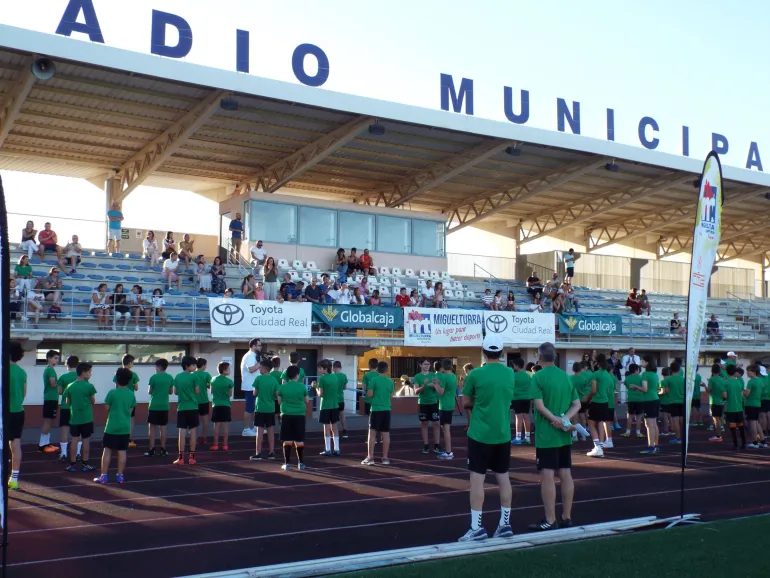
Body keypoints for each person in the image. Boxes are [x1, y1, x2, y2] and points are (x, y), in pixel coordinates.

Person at [459, 334, 515, 542]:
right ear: (501, 353)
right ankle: (505, 524)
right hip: (502, 433)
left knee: (477, 480)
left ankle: (476, 527)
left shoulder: (475, 375)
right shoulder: (509, 373)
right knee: (504, 477)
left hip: (480, 434)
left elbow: (465, 402)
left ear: (484, 351)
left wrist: (479, 401)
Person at [530, 341, 581, 531]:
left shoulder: (538, 377)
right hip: (563, 433)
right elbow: (577, 404)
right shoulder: (565, 377)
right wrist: (564, 419)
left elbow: (540, 406)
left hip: (547, 434)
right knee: (566, 473)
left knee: (548, 475)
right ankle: (566, 517)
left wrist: (556, 420)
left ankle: (550, 519)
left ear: (540, 356)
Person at [95, 367, 137, 484]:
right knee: (122, 451)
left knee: (107, 450)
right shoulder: (130, 394)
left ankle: (104, 475)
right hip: (125, 427)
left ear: (116, 380)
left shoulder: (112, 393)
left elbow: (106, 408)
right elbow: (130, 410)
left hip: (111, 427)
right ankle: (120, 475)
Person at [61, 362, 97, 473]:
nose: (90, 374)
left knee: (74, 440)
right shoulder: (89, 386)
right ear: (83, 373)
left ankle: (72, 464)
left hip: (74, 418)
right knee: (86, 440)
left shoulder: (70, 386)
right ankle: (85, 463)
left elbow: (67, 402)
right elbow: (93, 401)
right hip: (86, 418)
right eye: (89, 372)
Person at [362, 361, 395, 466]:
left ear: (377, 369)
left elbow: (369, 394)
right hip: (386, 409)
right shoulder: (390, 381)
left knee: (372, 433)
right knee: (385, 433)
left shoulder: (373, 380)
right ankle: (385, 458)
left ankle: (370, 457)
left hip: (376, 409)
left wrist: (369, 393)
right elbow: (391, 396)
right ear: (386, 370)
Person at [277, 365, 310, 471]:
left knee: (287, 439)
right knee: (299, 440)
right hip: (299, 415)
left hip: (286, 414)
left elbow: (279, 401)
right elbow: (307, 401)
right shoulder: (302, 386)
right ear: (297, 375)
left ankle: (287, 464)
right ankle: (301, 463)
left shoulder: (282, 387)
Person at [586, 353, 614, 457]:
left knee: (591, 423)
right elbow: (610, 391)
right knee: (601, 423)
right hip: (605, 401)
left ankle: (597, 446)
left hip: (596, 401)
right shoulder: (608, 375)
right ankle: (600, 447)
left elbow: (593, 390)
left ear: (596, 361)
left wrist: (587, 397)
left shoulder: (596, 374)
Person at [174, 356, 200, 465]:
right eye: (193, 365)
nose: (195, 367)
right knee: (193, 431)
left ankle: (180, 458)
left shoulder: (177, 377)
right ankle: (192, 457)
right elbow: (197, 391)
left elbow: (175, 392)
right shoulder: (194, 377)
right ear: (186, 366)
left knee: (182, 432)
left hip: (182, 407)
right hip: (193, 407)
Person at [145, 359, 174, 457]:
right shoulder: (170, 377)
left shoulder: (153, 377)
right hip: (164, 405)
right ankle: (163, 449)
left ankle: (151, 449)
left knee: (152, 428)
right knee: (163, 428)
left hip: (154, 405)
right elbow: (171, 391)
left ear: (158, 367)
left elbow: (149, 391)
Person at [252, 359, 279, 461]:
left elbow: (254, 393)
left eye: (260, 367)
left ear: (264, 369)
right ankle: (271, 452)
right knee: (270, 431)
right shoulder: (274, 380)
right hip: (270, 408)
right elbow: (276, 395)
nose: (259, 369)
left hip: (260, 408)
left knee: (259, 431)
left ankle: (258, 452)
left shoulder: (258, 379)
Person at [8, 342, 27, 490]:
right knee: (15, 445)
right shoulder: (22, 372)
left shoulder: (3, 370)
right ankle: (14, 479)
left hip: (5, 412)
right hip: (18, 411)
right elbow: (24, 393)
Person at [414, 358, 441, 454]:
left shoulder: (434, 375)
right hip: (423, 403)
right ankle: (426, 445)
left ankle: (436, 445)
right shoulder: (417, 377)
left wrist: (435, 386)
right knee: (424, 423)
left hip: (433, 402)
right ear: (420, 365)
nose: (427, 366)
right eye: (425, 364)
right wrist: (424, 385)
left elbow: (439, 390)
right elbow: (416, 391)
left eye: (428, 364)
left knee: (436, 423)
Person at [112, 354, 140, 448]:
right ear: (129, 363)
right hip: (130, 399)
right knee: (130, 419)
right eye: (132, 363)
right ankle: (129, 439)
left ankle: (117, 437)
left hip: (119, 399)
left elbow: (115, 387)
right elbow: (136, 388)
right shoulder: (133, 374)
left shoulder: (117, 373)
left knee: (119, 417)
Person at [56, 355, 80, 462]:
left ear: (67, 364)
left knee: (64, 430)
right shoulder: (81, 377)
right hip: (77, 407)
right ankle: (78, 453)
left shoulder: (63, 377)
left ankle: (64, 453)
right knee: (77, 432)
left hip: (65, 407)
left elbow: (59, 392)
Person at [317, 360, 342, 456]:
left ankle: (328, 449)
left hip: (326, 406)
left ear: (325, 368)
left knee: (326, 428)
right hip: (335, 405)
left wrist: (315, 387)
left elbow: (321, 394)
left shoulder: (322, 379)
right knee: (334, 427)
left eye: (320, 368)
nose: (319, 370)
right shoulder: (335, 377)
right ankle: (337, 449)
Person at [39, 349, 61, 454]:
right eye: (55, 358)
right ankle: (42, 445)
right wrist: (61, 383)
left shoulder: (50, 369)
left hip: (52, 398)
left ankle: (46, 444)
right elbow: (52, 383)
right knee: (48, 421)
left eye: (57, 358)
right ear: (49, 358)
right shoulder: (50, 370)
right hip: (50, 398)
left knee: (50, 421)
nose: (57, 360)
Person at [210, 362, 234, 451]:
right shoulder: (229, 381)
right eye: (228, 369)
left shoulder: (213, 379)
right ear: (224, 371)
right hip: (226, 405)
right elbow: (230, 394)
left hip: (216, 405)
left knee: (216, 426)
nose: (230, 371)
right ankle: (225, 445)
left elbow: (211, 391)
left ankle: (215, 445)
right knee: (225, 426)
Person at [437, 359, 458, 460]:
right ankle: (448, 449)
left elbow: (441, 392)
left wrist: (435, 384)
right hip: (450, 404)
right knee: (445, 427)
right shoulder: (453, 376)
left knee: (446, 429)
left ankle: (449, 452)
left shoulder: (444, 377)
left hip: (444, 405)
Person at [239, 338, 261, 436]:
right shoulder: (249, 356)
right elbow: (251, 369)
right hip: (250, 386)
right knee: (249, 408)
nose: (261, 347)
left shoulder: (254, 356)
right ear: (253, 346)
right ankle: (246, 429)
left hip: (255, 386)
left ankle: (255, 427)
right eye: (259, 345)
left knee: (255, 408)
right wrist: (262, 363)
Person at [723, 364, 747, 450]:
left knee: (732, 426)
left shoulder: (725, 382)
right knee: (741, 425)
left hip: (731, 408)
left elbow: (725, 396)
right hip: (739, 407)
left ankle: (736, 444)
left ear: (726, 372)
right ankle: (744, 443)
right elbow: (741, 394)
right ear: (735, 372)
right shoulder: (738, 381)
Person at [661, 360, 685, 444]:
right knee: (682, 420)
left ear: (671, 370)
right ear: (679, 369)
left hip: (672, 401)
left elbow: (663, 391)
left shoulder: (666, 381)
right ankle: (684, 437)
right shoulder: (683, 379)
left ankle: (678, 438)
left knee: (675, 420)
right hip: (682, 401)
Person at [511, 358, 533, 445]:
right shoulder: (527, 375)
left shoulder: (513, 375)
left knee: (518, 418)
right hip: (527, 398)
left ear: (516, 365)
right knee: (527, 418)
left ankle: (518, 437)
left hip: (517, 398)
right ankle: (527, 438)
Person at [743, 364, 765, 448]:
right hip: (757, 403)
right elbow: (762, 387)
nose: (747, 373)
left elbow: (747, 393)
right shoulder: (760, 380)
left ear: (753, 372)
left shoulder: (751, 381)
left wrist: (741, 392)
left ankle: (754, 442)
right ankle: (762, 441)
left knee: (752, 422)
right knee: (756, 422)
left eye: (748, 371)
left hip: (750, 404)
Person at [622, 364, 645, 439]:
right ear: (636, 370)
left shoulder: (627, 378)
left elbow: (626, 385)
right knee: (638, 417)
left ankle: (627, 432)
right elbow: (644, 387)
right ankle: (638, 432)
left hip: (631, 399)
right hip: (640, 399)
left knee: (630, 416)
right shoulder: (641, 377)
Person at [194, 358, 212, 446]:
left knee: (194, 422)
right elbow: (210, 386)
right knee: (205, 421)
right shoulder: (206, 375)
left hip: (193, 401)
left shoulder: (192, 374)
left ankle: (195, 438)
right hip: (204, 400)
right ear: (203, 365)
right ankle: (204, 438)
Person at [333, 360, 349, 438]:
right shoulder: (344, 376)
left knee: (334, 418)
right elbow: (345, 387)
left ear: (334, 368)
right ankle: (345, 431)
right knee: (342, 415)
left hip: (334, 399)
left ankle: (335, 433)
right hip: (341, 398)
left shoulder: (332, 376)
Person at [270, 356, 283, 426]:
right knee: (279, 412)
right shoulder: (281, 374)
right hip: (279, 397)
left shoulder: (269, 374)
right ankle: (281, 424)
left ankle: (271, 425)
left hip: (271, 397)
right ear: (279, 364)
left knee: (272, 412)